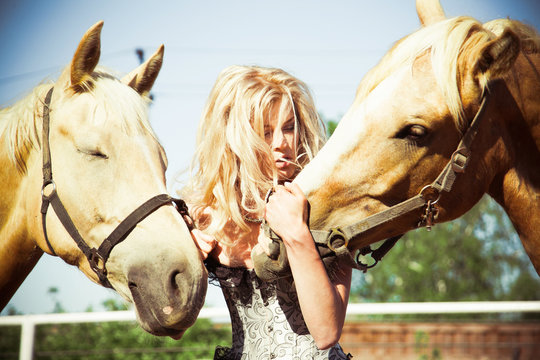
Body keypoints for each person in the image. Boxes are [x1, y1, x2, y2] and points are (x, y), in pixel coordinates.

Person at [181, 65, 352, 359]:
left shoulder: (329, 211)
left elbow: (326, 332)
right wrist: (186, 257)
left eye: (288, 128)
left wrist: (298, 236)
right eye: (265, 132)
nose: (281, 144)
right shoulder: (204, 217)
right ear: (235, 139)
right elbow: (175, 326)